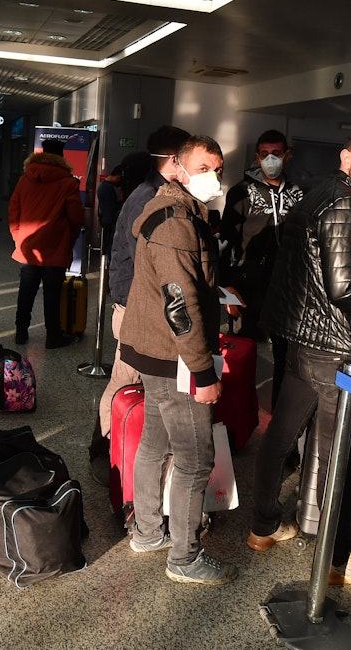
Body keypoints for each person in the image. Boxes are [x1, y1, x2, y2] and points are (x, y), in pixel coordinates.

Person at [250, 124, 351, 586]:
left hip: (303, 338)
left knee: (281, 435)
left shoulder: (319, 191)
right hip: (335, 347)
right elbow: (345, 288)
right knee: (333, 454)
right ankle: (337, 561)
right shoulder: (349, 204)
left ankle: (263, 527)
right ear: (348, 158)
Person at [119, 135, 238, 586]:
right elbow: (180, 304)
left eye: (218, 168)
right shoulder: (175, 223)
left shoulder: (180, 214)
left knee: (155, 442)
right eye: (204, 167)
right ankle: (185, 558)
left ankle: (149, 532)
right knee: (194, 458)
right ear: (177, 167)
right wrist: (204, 372)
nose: (214, 177)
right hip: (175, 357)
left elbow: (184, 286)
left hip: (154, 349)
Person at [89, 125, 190, 484]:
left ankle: (111, 446)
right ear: (177, 159)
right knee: (124, 382)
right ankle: (107, 450)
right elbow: (148, 263)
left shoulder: (157, 192)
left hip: (140, 306)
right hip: (137, 310)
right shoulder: (149, 197)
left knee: (126, 381)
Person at [217, 129, 303, 406]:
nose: (270, 159)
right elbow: (226, 241)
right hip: (247, 283)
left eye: (276, 154)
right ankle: (236, 409)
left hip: (286, 287)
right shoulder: (241, 192)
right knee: (243, 350)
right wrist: (226, 289)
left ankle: (279, 411)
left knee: (285, 354)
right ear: (257, 157)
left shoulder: (298, 193)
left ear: (286, 155)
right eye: (264, 154)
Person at [8, 138, 84, 349]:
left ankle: (20, 333)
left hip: (28, 247)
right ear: (61, 157)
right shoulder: (68, 183)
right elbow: (76, 217)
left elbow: (13, 211)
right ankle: (53, 336)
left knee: (26, 292)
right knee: (52, 294)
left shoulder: (25, 179)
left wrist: (18, 236)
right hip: (56, 247)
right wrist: (69, 238)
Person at [96, 165, 123, 258]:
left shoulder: (103, 186)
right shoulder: (108, 188)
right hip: (109, 220)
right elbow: (111, 206)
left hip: (105, 218)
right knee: (109, 244)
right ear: (117, 176)